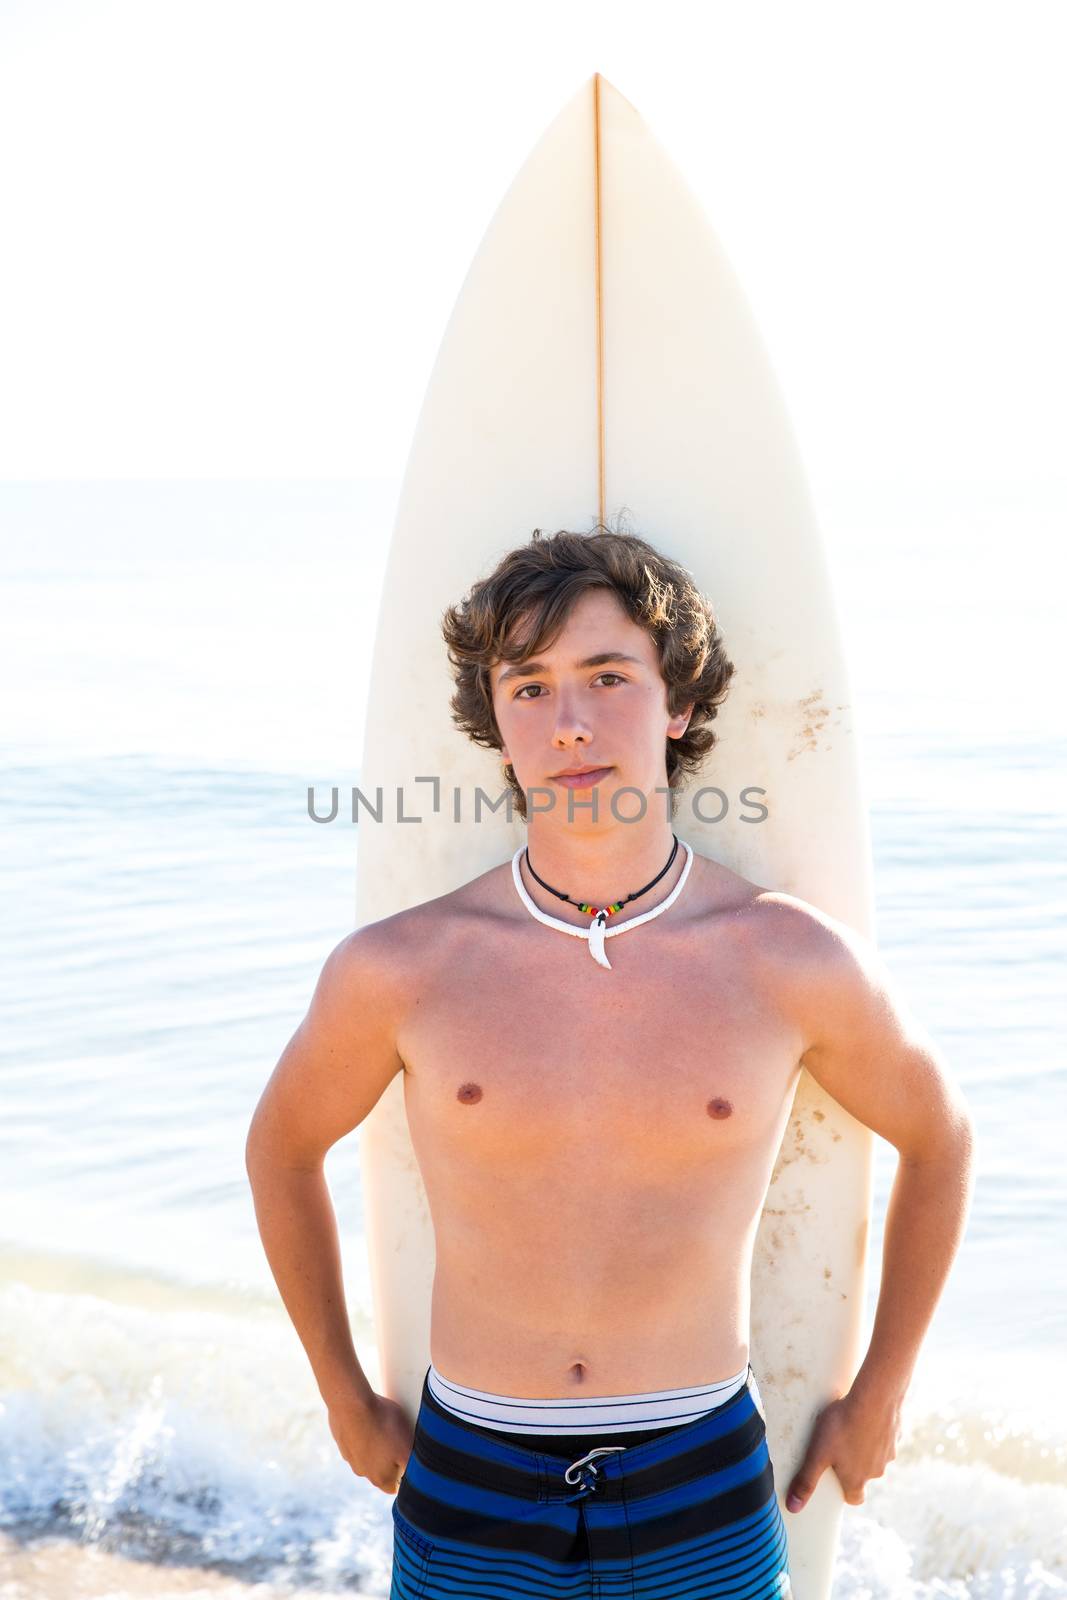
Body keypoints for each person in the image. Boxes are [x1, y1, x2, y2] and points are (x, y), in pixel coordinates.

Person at [245, 528, 975, 1599]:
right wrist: (342, 1393)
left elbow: (939, 1135)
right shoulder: (401, 970)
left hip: (698, 1470)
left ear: (674, 704)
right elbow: (281, 1147)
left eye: (605, 677)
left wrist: (880, 1392)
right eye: (528, 687)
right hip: (471, 1474)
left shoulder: (784, 959)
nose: (570, 722)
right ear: (493, 724)